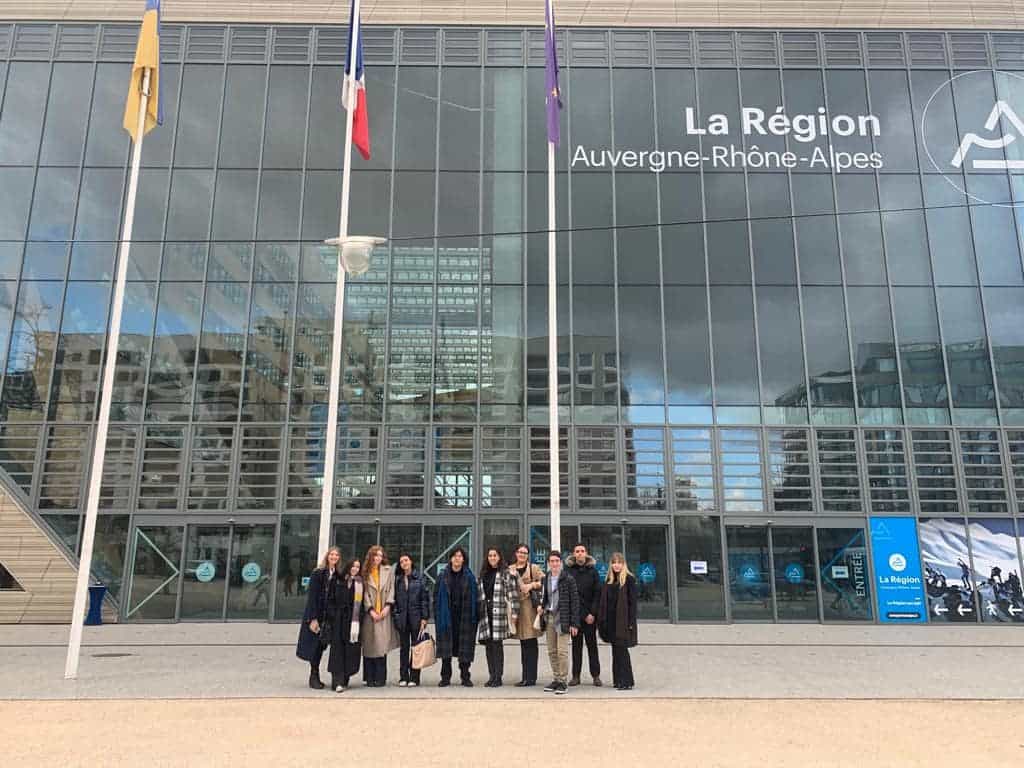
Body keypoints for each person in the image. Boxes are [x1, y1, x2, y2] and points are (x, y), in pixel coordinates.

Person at [295, 546, 341, 690]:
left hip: (329, 618)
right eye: (332, 554)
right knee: (314, 647)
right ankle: (313, 675)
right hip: (318, 616)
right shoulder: (318, 573)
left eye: (336, 555)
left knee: (321, 646)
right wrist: (313, 618)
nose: (334, 557)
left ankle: (316, 675)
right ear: (327, 556)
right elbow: (312, 597)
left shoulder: (338, 575)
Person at [434, 546, 478, 687]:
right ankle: (445, 677)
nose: (457, 558)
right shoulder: (442, 576)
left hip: (464, 616)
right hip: (446, 616)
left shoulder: (470, 576)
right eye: (455, 556)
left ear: (463, 559)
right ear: (451, 558)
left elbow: (475, 597)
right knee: (447, 649)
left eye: (460, 556)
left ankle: (465, 676)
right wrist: (437, 614)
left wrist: (474, 616)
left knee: (464, 649)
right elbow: (435, 597)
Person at [537, 550, 580, 695]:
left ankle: (563, 681)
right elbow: (544, 596)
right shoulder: (546, 578)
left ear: (560, 563)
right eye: (552, 561)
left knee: (562, 652)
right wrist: (541, 606)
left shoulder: (568, 579)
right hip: (549, 618)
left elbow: (575, 602)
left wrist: (574, 623)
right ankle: (556, 678)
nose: (554, 563)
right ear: (548, 563)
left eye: (557, 561)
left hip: (563, 619)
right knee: (551, 651)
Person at [476, 547, 520, 687]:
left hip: (499, 612)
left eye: (495, 555)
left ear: (499, 557)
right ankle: (491, 676)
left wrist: (514, 613)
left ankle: (498, 677)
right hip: (485, 612)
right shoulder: (483, 574)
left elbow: (513, 594)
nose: (492, 558)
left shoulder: (506, 573)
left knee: (497, 645)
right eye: (490, 555)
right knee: (488, 645)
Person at [598, 552, 638, 691]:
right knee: (615, 651)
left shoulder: (629, 579)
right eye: (614, 562)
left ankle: (626, 681)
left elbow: (632, 604)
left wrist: (631, 622)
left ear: (623, 564)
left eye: (619, 562)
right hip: (610, 622)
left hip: (623, 622)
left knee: (622, 651)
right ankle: (617, 680)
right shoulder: (608, 580)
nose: (616, 565)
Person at [360, 545, 398, 687]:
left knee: (381, 646)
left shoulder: (389, 571)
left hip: (384, 612)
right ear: (371, 556)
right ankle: (369, 678)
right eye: (375, 555)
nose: (378, 558)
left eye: (380, 555)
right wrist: (370, 609)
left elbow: (392, 590)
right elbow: (363, 593)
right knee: (370, 646)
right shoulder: (364, 572)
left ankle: (381, 678)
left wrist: (388, 606)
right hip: (370, 613)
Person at [566, 543, 602, 687]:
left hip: (590, 618)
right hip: (575, 617)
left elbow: (597, 594)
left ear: (586, 553)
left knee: (592, 646)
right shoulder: (568, 571)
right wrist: (578, 615)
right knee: (576, 647)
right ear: (574, 554)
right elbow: (569, 595)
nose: (580, 553)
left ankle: (596, 676)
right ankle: (576, 676)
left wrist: (592, 613)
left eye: (582, 551)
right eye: (577, 551)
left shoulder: (593, 572)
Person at [509, 544, 544, 687]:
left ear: (528, 555)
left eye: (525, 553)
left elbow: (544, 581)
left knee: (531, 643)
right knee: (523, 643)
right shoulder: (510, 569)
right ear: (516, 553)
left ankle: (531, 677)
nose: (522, 555)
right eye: (520, 552)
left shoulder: (533, 568)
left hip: (530, 608)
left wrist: (531, 585)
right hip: (517, 609)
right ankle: (526, 676)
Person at [393, 552, 430, 687]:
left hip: (416, 618)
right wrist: (396, 616)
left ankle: (414, 677)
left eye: (406, 560)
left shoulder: (419, 578)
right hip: (402, 619)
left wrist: (425, 618)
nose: (404, 563)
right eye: (402, 562)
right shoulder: (397, 580)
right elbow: (395, 601)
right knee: (404, 649)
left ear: (411, 561)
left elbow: (424, 599)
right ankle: (403, 676)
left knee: (416, 648)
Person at [327, 558, 364, 692]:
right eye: (353, 566)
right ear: (348, 566)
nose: (355, 569)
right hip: (339, 620)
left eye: (358, 567)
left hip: (353, 622)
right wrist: (333, 615)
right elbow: (330, 599)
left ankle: (345, 678)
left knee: (350, 650)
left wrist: (359, 620)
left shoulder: (360, 583)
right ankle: (337, 680)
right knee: (337, 650)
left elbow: (362, 605)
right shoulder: (338, 580)